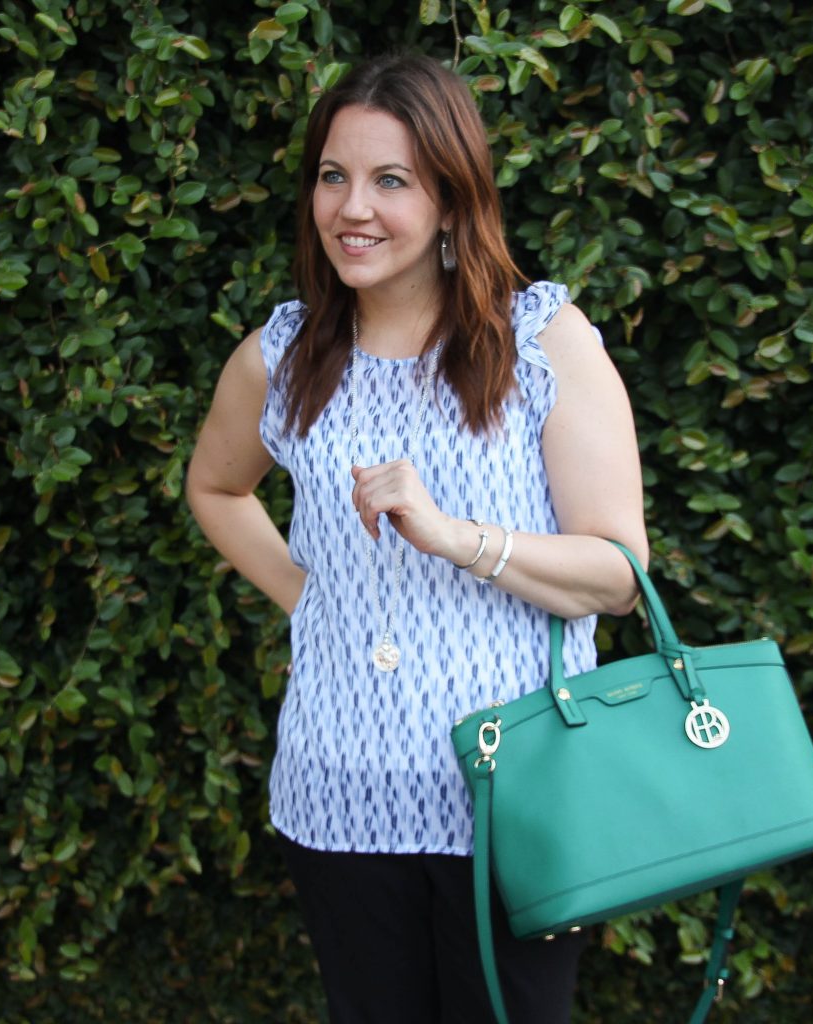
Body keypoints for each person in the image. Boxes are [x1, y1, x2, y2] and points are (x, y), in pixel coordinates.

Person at [187, 53, 648, 1024]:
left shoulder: (541, 343)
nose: (353, 207)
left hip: (516, 798)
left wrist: (452, 536)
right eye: (332, 175)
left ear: (451, 198)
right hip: (341, 789)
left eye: (391, 180)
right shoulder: (280, 358)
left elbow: (615, 575)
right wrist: (311, 593)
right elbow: (217, 485)